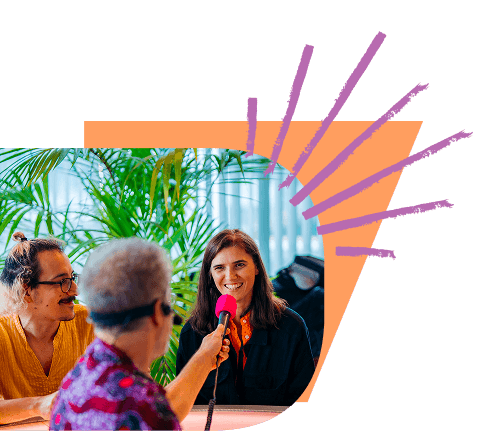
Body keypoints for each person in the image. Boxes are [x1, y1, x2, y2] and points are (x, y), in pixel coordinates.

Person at [49, 237, 230, 431]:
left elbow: (164, 407)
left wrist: (204, 358)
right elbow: (152, 412)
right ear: (157, 314)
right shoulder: (144, 408)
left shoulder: (73, 383)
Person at [176, 229, 315, 406]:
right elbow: (183, 405)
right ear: (210, 274)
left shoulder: (291, 328)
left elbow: (304, 402)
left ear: (256, 267)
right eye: (219, 268)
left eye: (239, 265)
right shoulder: (192, 332)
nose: (230, 276)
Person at [0, 232, 94, 424]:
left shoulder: (92, 324)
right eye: (62, 281)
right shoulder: (3, 335)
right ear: (26, 290)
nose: (75, 290)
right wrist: (37, 405)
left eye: (72, 278)